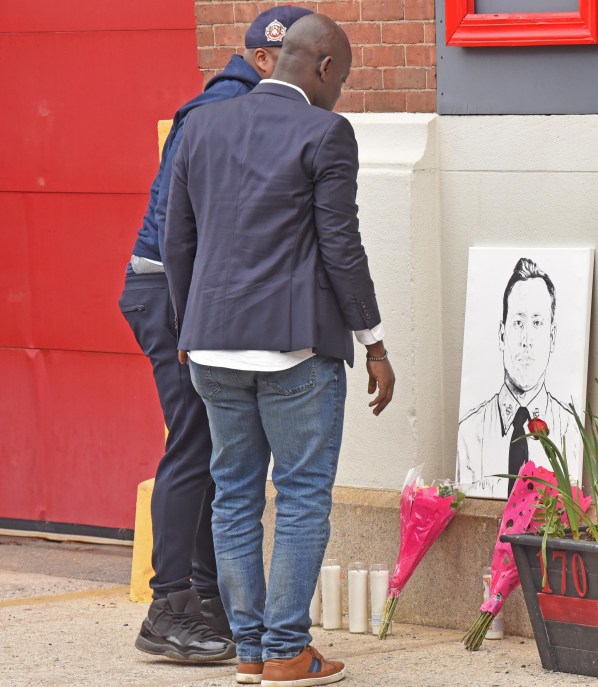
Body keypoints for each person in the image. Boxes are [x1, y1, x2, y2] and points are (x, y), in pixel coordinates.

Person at [163, 13, 395, 687]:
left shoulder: (202, 124)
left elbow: (178, 238)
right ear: (322, 69)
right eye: (343, 79)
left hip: (210, 345)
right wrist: (373, 340)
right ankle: (287, 650)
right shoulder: (326, 132)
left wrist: (188, 327)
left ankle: (250, 649)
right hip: (294, 350)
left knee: (233, 494)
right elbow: (341, 247)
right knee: (298, 495)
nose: (342, 93)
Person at [118, 5, 313, 662]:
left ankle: (207, 602)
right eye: (296, 63)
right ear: (263, 60)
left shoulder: (254, 109)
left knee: (214, 445)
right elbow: (179, 228)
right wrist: (189, 320)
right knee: (195, 443)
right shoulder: (217, 113)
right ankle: (168, 606)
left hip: (197, 295)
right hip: (171, 292)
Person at [457, 257, 577, 498]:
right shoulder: (469, 434)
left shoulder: (571, 432)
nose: (526, 339)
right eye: (518, 322)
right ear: (502, 335)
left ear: (552, 337)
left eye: (537, 322)